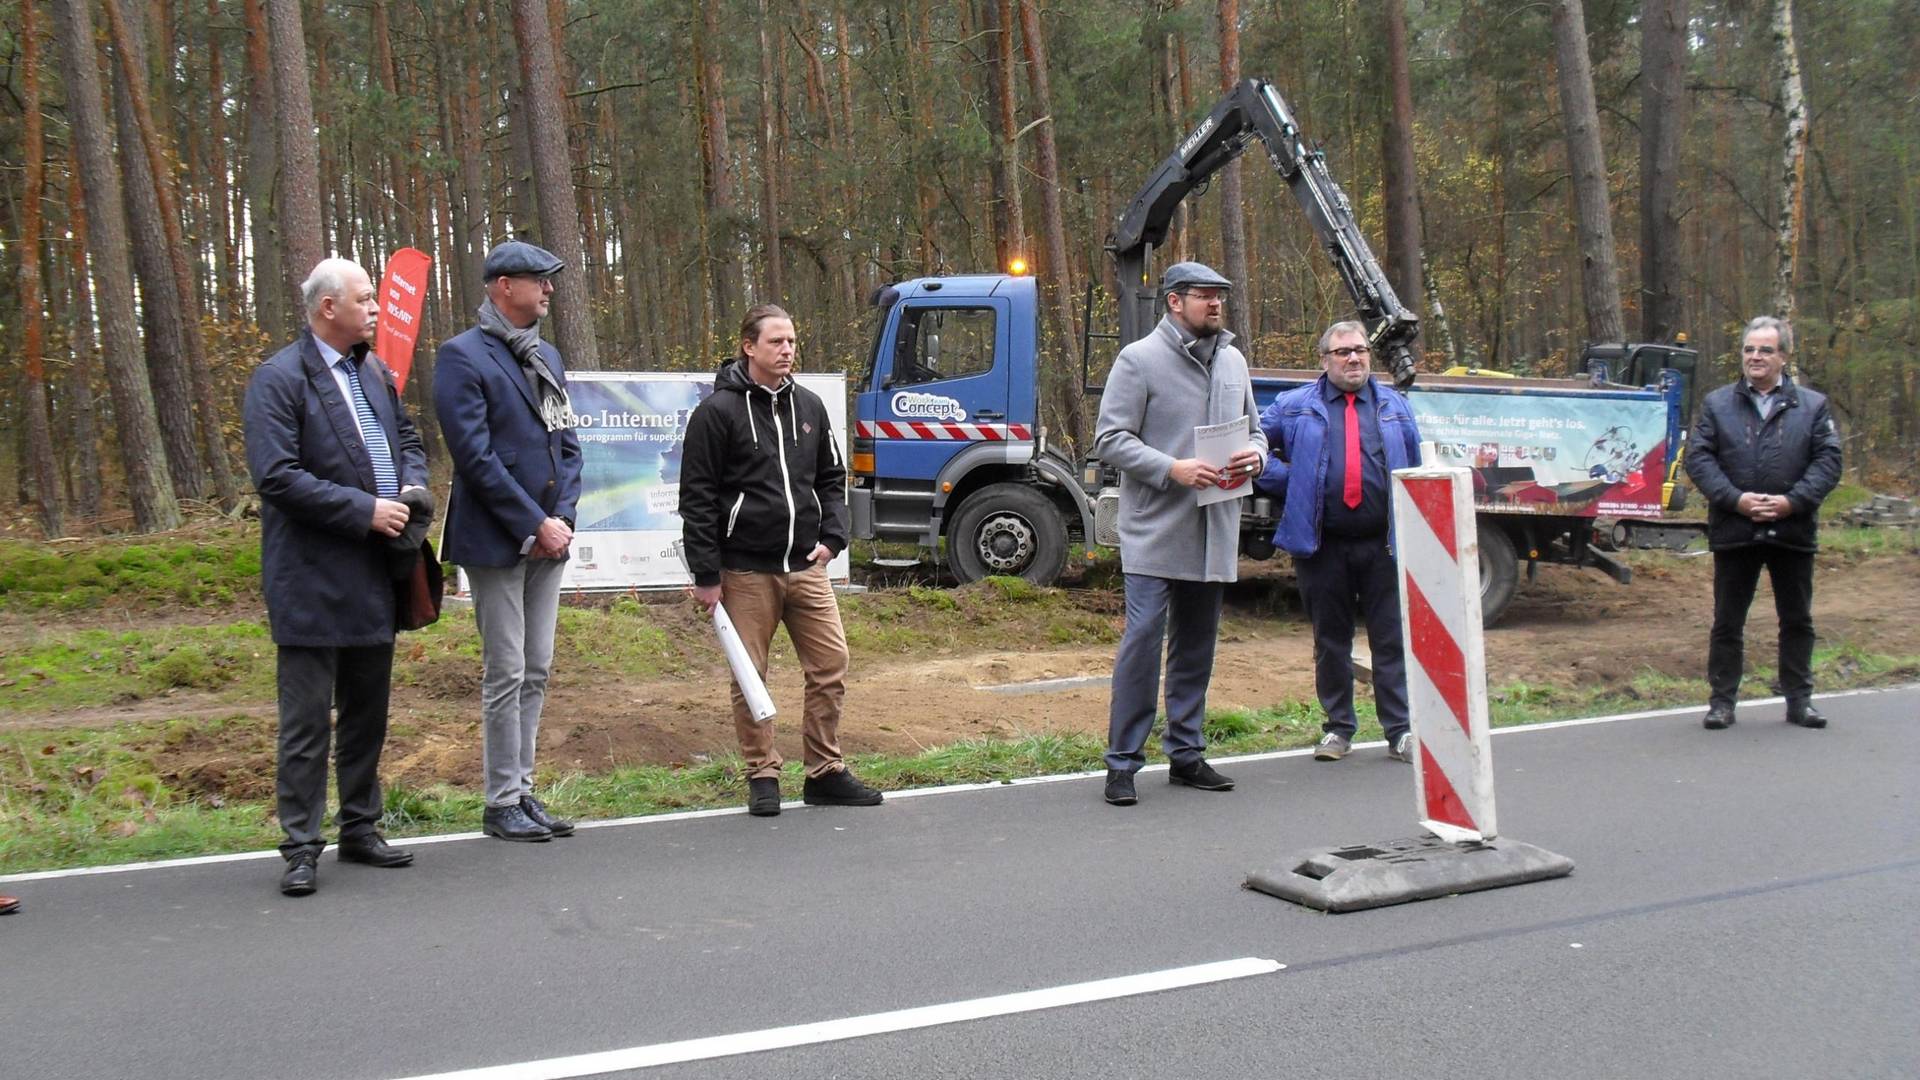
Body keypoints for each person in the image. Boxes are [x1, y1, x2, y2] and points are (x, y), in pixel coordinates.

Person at [244, 257, 428, 896]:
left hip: (376, 569)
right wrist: (365, 510)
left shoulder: (374, 372)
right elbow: (275, 475)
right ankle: (300, 845)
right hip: (311, 575)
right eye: (365, 298)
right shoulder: (277, 379)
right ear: (328, 307)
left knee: (366, 714)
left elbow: (407, 439)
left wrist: (412, 486)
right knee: (304, 723)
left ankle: (360, 827)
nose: (377, 308)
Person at [679, 305, 883, 817]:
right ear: (749, 346)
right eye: (776, 342)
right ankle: (763, 774)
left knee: (831, 664)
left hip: (806, 568)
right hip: (744, 570)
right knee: (752, 675)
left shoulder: (810, 406)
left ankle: (824, 772)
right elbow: (697, 496)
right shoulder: (717, 413)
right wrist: (707, 574)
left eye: (792, 341)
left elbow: (832, 478)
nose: (787, 350)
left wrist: (832, 537)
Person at [1093, 262, 1268, 807]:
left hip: (1215, 527)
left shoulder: (1234, 361)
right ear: (1174, 302)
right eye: (1205, 296)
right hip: (1154, 531)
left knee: (1196, 648)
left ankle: (1186, 754)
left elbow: (1258, 433)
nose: (1216, 305)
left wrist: (1256, 459)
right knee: (1143, 644)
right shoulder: (1138, 360)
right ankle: (1122, 763)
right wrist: (1173, 468)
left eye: (1221, 296)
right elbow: (1110, 440)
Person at [434, 241, 585, 841]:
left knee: (538, 667)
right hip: (499, 539)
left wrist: (563, 517)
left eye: (550, 281)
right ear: (502, 286)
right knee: (507, 669)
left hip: (551, 539)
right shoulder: (461, 356)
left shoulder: (545, 354)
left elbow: (566, 444)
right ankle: (500, 801)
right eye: (538, 281)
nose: (548, 290)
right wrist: (533, 523)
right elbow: (475, 458)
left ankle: (523, 791)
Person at [1256, 321, 1423, 765]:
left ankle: (1400, 731)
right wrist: (1289, 481)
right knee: (1331, 641)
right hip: (1321, 545)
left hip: (1382, 544)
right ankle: (1338, 728)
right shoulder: (1294, 408)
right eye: (1344, 352)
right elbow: (1253, 447)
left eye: (1361, 350)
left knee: (1390, 639)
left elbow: (1416, 470)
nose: (1354, 359)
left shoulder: (1395, 408)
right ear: (1324, 359)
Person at [1685, 316, 1842, 730]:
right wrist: (1735, 500)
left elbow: (1829, 462)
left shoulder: (1813, 405)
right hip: (1736, 530)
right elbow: (1699, 458)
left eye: (1766, 350)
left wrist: (1793, 502)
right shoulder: (1717, 404)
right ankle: (1722, 702)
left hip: (1792, 531)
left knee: (1797, 620)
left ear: (1784, 357)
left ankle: (1799, 701)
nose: (1755, 357)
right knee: (1727, 621)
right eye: (1749, 349)